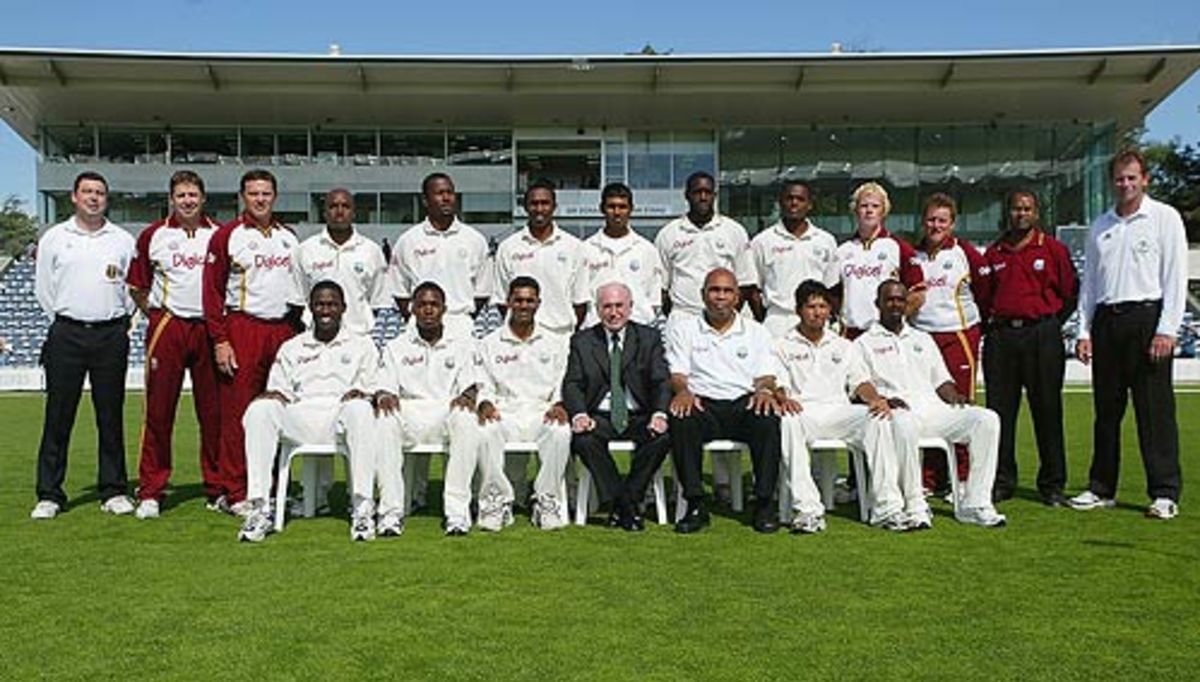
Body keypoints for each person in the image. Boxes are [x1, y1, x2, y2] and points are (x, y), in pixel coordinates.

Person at [1072, 149, 1187, 520]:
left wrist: (1167, 329)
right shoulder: (1100, 225)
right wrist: (1084, 330)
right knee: (1106, 411)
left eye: (1132, 178)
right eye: (1120, 179)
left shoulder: (1164, 218)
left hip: (1147, 319)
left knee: (1154, 412)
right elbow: (1089, 284)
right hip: (1107, 321)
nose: (1125, 185)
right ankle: (1101, 487)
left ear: (1145, 179)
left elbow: (1175, 277)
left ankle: (1165, 492)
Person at [236, 281, 384, 543]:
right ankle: (259, 510)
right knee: (260, 410)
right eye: (319, 304)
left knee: (361, 409)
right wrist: (274, 397)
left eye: (331, 304)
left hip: (342, 416)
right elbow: (278, 389)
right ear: (310, 308)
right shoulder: (292, 346)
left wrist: (363, 394)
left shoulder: (362, 345)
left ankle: (362, 509)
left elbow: (372, 387)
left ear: (343, 308)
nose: (325, 310)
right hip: (301, 415)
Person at [854, 280, 1006, 528]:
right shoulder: (863, 343)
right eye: (889, 300)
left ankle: (975, 503)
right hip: (897, 414)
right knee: (903, 422)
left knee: (986, 419)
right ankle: (915, 505)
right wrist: (881, 399)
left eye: (900, 300)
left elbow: (941, 381)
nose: (895, 305)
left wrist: (954, 396)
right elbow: (861, 383)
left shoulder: (921, 338)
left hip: (933, 410)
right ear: (877, 304)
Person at [30, 171, 136, 520]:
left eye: (100, 192)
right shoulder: (55, 238)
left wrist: (118, 322)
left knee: (110, 416)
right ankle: (49, 493)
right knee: (58, 417)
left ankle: (114, 489)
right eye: (87, 192)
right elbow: (44, 289)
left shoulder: (122, 240)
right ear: (74, 196)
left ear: (107, 198)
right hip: (67, 334)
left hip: (110, 335)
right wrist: (67, 320)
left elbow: (131, 291)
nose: (93, 197)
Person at [773, 280, 912, 533]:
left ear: (830, 310)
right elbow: (778, 383)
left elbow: (860, 382)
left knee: (878, 418)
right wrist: (784, 398)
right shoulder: (782, 345)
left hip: (839, 411)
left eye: (823, 306)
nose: (817, 312)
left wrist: (875, 399)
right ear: (798, 310)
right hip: (804, 412)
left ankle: (887, 508)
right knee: (787, 420)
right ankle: (808, 510)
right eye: (811, 306)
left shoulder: (844, 346)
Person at [203, 169, 302, 513]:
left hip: (283, 330)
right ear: (243, 197)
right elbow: (212, 292)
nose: (260, 199)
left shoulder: (289, 237)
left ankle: (276, 486)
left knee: (278, 409)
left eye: (266, 193)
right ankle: (237, 490)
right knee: (239, 414)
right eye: (253, 193)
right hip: (243, 327)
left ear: (275, 196)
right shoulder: (228, 236)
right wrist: (220, 339)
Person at [126, 170, 222, 519]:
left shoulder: (219, 235)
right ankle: (151, 489)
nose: (187, 201)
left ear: (203, 198)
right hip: (168, 325)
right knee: (159, 412)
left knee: (213, 414)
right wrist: (158, 315)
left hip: (208, 329)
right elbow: (137, 286)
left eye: (193, 195)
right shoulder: (154, 235)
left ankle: (217, 486)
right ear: (171, 198)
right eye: (181, 195)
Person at [665, 268, 784, 534]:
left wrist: (764, 391)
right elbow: (677, 374)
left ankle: (764, 502)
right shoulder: (684, 330)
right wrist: (683, 391)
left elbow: (766, 375)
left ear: (737, 297)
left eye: (727, 291)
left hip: (743, 403)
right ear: (703, 295)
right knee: (681, 418)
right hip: (703, 404)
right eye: (714, 290)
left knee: (767, 417)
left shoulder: (756, 332)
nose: (720, 297)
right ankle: (695, 504)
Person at [983, 190, 1078, 506]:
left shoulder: (1053, 249)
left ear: (1036, 213)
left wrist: (1048, 325)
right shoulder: (994, 252)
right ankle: (1002, 480)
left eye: (1027, 209)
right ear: (1007, 213)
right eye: (1015, 209)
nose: (1021, 214)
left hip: (1041, 336)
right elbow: (985, 298)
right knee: (1000, 414)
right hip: (1002, 338)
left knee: (1048, 410)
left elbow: (1069, 294)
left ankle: (1052, 484)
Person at [372, 281, 487, 536]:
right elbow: (384, 386)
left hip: (445, 410)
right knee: (384, 419)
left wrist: (467, 396)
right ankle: (390, 512)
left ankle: (457, 513)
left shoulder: (462, 345)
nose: (428, 310)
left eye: (434, 304)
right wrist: (384, 395)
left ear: (444, 309)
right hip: (409, 411)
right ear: (412, 309)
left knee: (466, 418)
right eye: (422, 305)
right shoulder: (396, 346)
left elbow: (472, 385)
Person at [561, 282, 671, 531]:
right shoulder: (582, 341)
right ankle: (628, 505)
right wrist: (579, 414)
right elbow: (573, 383)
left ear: (630, 307)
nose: (613, 313)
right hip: (599, 415)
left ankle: (623, 502)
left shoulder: (649, 338)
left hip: (638, 414)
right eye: (607, 307)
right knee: (583, 440)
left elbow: (661, 380)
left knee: (661, 438)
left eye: (619, 306)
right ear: (598, 310)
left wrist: (659, 413)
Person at [903, 193, 990, 497]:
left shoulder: (967, 253)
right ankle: (929, 479)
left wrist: (973, 328)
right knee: (926, 405)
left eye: (942, 220)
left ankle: (961, 479)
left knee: (958, 404)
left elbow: (986, 291)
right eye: (930, 219)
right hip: (922, 338)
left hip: (958, 336)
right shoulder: (913, 254)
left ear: (952, 223)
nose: (935, 225)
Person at [475, 276, 572, 530]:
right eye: (518, 300)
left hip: (541, 410)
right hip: (505, 410)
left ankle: (546, 500)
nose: (524, 305)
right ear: (508, 302)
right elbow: (483, 382)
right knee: (485, 430)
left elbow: (563, 379)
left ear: (538, 303)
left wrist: (560, 403)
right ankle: (495, 501)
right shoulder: (489, 343)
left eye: (530, 300)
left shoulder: (555, 343)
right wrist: (485, 402)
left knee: (561, 432)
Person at [390, 172, 491, 341]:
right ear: (425, 200)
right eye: (439, 193)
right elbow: (400, 292)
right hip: (420, 327)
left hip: (462, 326)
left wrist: (463, 317)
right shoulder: (408, 240)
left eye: (450, 193)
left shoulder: (474, 239)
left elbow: (482, 291)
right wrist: (420, 316)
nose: (446, 198)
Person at [655, 171, 755, 331]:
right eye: (697, 192)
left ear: (714, 195)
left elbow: (745, 284)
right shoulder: (669, 234)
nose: (702, 197)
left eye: (707, 192)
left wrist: (725, 312)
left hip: (723, 319)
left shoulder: (734, 231)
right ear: (687, 196)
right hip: (683, 318)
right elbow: (662, 289)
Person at [492, 180, 589, 336]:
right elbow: (503, 300)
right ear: (525, 207)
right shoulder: (508, 247)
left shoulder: (574, 247)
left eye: (545, 203)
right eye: (534, 204)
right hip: (521, 337)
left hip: (561, 335)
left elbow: (580, 302)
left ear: (554, 207)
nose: (539, 209)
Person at [292, 188, 389, 338]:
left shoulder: (371, 251)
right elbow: (299, 300)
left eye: (345, 206)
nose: (339, 211)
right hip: (315, 338)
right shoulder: (305, 250)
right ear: (324, 213)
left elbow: (377, 303)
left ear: (354, 213)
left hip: (359, 336)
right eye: (333, 206)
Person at [749, 180, 839, 337]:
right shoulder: (762, 241)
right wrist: (765, 319)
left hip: (815, 319)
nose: (794, 203)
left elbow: (831, 288)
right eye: (789, 198)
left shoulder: (826, 241)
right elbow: (753, 291)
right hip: (777, 321)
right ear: (780, 202)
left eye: (800, 199)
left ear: (810, 204)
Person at [834, 181, 917, 339]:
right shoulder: (842, 250)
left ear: (884, 211)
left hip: (886, 331)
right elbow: (833, 293)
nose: (869, 210)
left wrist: (897, 318)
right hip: (850, 333)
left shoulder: (899, 247)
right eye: (864, 205)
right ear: (855, 210)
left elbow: (917, 292)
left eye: (875, 206)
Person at [581, 182, 663, 326]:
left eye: (622, 207)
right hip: (597, 330)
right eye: (611, 207)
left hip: (639, 327)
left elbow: (654, 299)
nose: (617, 212)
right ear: (602, 209)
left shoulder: (647, 250)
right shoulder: (586, 249)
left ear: (631, 209)